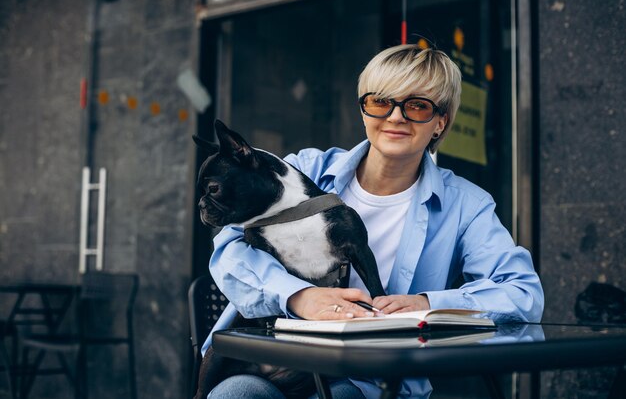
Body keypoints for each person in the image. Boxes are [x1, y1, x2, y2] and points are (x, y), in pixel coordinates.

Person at [202, 44, 544, 398]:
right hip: (274, 357)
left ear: (441, 122)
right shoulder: (304, 170)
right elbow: (228, 250)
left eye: (417, 106)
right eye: (381, 102)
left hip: (370, 377)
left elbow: (523, 293)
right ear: (364, 110)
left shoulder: (466, 205)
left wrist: (429, 303)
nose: (396, 117)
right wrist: (300, 297)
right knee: (237, 394)